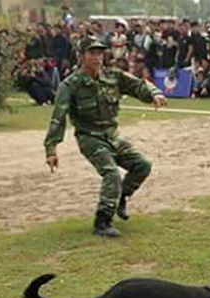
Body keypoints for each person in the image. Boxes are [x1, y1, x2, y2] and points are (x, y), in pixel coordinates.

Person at [43, 39, 168, 237]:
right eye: (92, 53)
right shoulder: (71, 85)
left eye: (100, 53)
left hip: (112, 135)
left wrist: (154, 94)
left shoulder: (113, 76)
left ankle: (120, 199)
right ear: (81, 56)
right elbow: (58, 117)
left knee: (142, 165)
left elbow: (138, 85)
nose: (97, 57)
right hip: (89, 138)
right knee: (111, 174)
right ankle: (102, 222)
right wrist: (51, 149)